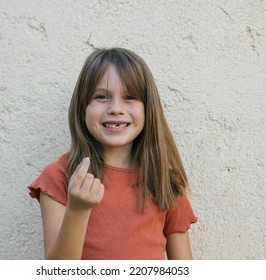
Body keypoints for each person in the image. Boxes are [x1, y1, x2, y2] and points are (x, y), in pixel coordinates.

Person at [28, 47, 197, 260]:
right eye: (101, 96)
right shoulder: (59, 176)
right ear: (82, 108)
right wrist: (78, 210)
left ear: (148, 109)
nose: (116, 108)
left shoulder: (164, 181)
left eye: (129, 97)